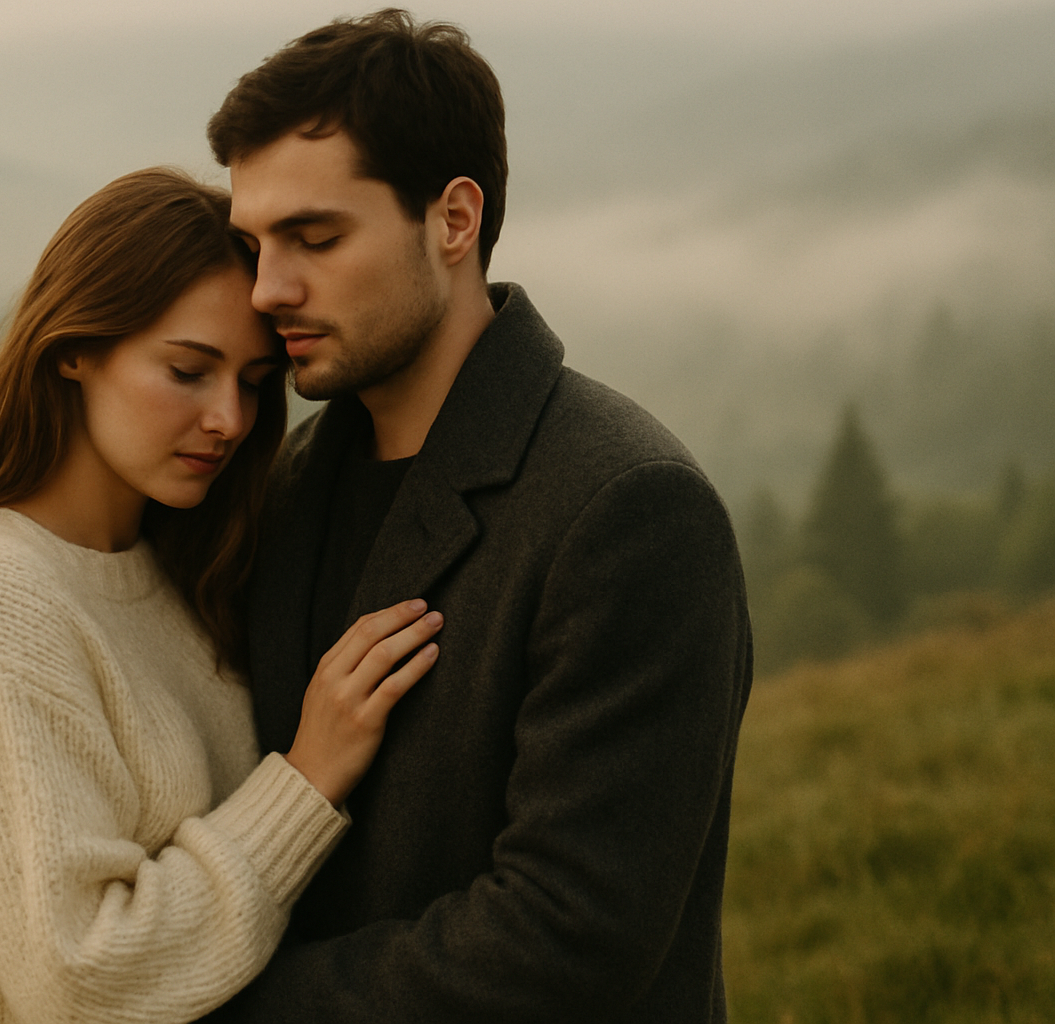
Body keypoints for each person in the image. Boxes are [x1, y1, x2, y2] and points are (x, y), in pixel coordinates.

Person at [201, 10, 753, 1023]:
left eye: (315, 236)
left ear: (454, 220)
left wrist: (211, 1000)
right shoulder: (279, 485)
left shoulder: (628, 507)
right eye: (252, 243)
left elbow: (564, 940)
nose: (269, 288)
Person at [0, 167, 445, 1024]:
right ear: (76, 349)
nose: (230, 421)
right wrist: (306, 781)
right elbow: (84, 977)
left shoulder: (181, 571)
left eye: (250, 380)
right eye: (188, 370)